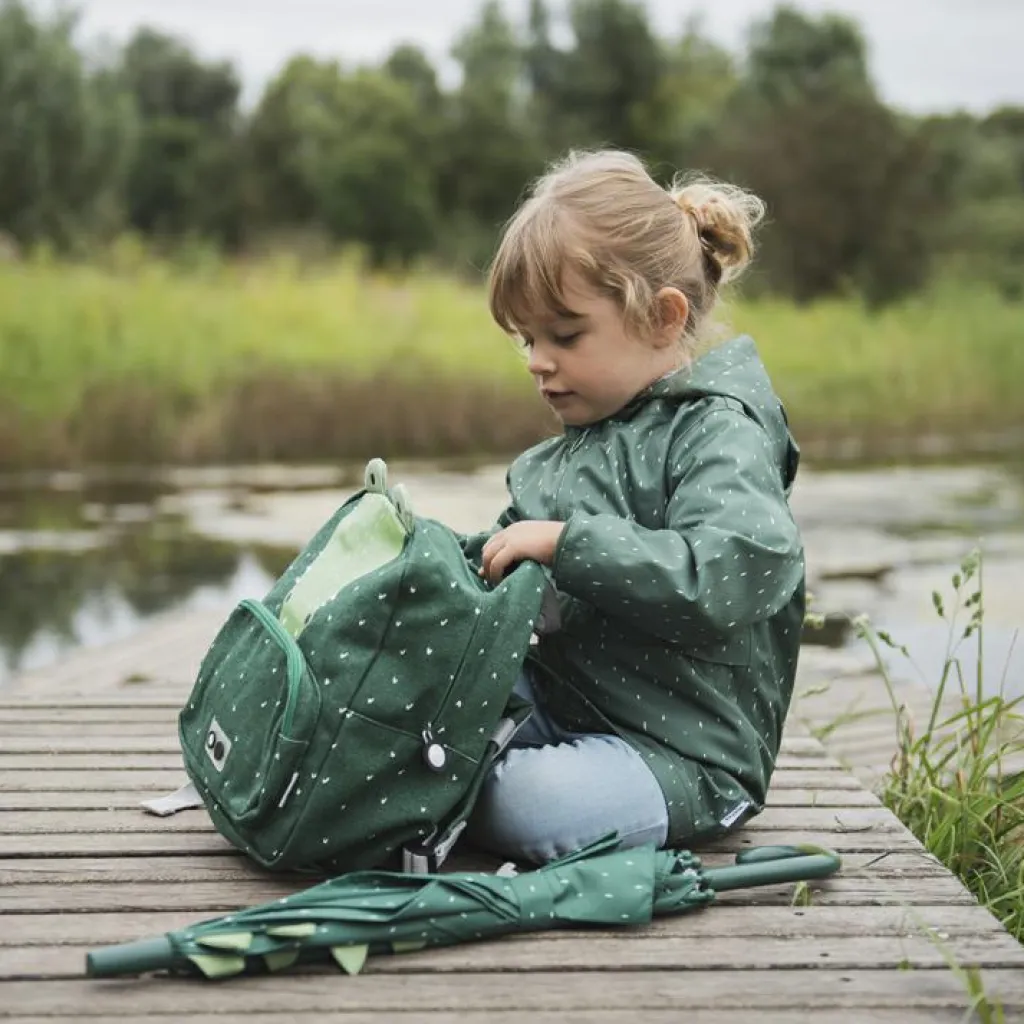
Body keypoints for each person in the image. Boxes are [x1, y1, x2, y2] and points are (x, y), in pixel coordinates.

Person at [458, 148, 805, 866]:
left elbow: (726, 573)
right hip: (569, 710)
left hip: (684, 756)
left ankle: (462, 788)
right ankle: (450, 774)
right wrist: (452, 569)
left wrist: (566, 544)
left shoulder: (718, 433)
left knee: (526, 805)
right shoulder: (564, 455)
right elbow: (509, 574)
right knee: (419, 699)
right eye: (527, 339)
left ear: (662, 317)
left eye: (564, 334)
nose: (537, 360)